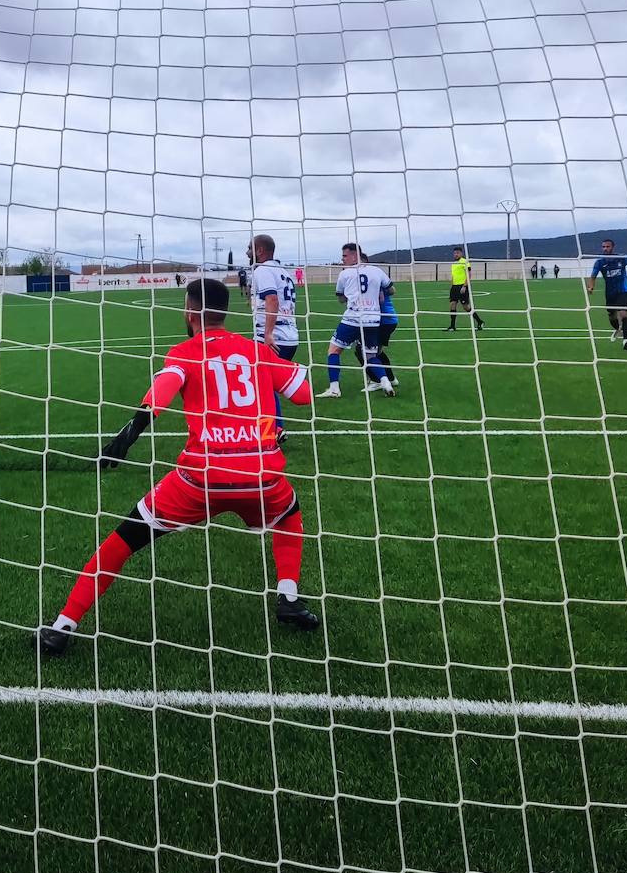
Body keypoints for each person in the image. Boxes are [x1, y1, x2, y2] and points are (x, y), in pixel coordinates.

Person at [36, 278, 317, 655]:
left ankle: (62, 626)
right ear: (226, 311)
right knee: (289, 515)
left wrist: (126, 439)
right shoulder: (255, 351)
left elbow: (161, 396)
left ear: (189, 310)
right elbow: (303, 395)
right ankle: (288, 596)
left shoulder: (184, 352)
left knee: (124, 539)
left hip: (200, 479)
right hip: (262, 478)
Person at [318, 243, 394, 398]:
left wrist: (351, 295)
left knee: (334, 350)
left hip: (353, 318)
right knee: (371, 355)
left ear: (355, 255)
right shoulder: (377, 270)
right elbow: (391, 289)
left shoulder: (345, 274)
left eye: (345, 256)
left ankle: (334, 388)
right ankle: (385, 382)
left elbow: (340, 298)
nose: (342, 259)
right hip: (373, 320)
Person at [247, 234, 299, 444]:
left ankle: (273, 431)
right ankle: (272, 430)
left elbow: (272, 299)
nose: (247, 253)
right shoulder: (283, 272)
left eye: (249, 249)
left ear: (260, 250)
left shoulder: (263, 270)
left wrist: (267, 334)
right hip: (289, 336)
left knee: (260, 387)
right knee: (264, 385)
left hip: (273, 337)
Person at [586, 239, 627, 350]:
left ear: (613, 247)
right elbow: (593, 276)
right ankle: (618, 329)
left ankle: (626, 340)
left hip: (623, 291)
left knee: (624, 314)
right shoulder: (600, 262)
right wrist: (591, 286)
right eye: (603, 247)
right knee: (612, 316)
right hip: (610, 293)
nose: (605, 249)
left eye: (607, 246)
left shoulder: (622, 258)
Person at [445, 246, 485, 332]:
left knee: (466, 307)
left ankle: (480, 322)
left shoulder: (465, 262)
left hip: (462, 287)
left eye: (457, 253)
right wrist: (451, 286)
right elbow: (453, 276)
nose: (456, 254)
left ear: (461, 253)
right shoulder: (453, 264)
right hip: (454, 288)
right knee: (452, 305)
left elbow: (469, 274)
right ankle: (452, 326)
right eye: (454, 253)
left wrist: (464, 286)